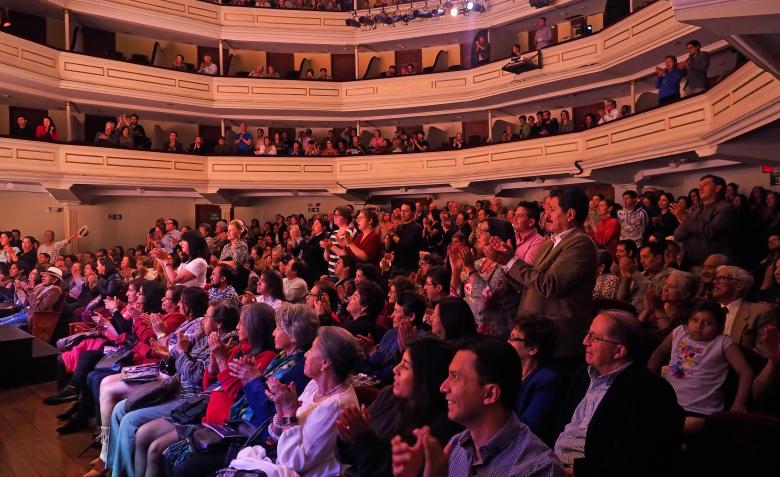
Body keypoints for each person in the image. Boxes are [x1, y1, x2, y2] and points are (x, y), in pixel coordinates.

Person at [391, 337, 566, 477]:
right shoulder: (456, 445)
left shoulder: (538, 468)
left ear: (490, 394)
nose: (443, 387)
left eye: (455, 377)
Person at [554, 311, 684, 476]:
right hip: (556, 462)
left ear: (619, 351)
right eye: (588, 334)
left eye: (594, 338)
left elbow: (634, 460)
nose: (585, 341)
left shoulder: (650, 391)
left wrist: (574, 471)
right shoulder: (582, 375)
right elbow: (558, 426)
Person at [217, 326, 359, 476]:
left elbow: (296, 461)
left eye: (312, 349)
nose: (306, 354)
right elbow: (276, 435)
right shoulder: (313, 385)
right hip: (277, 459)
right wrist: (280, 408)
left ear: (325, 363)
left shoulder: (335, 406)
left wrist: (289, 411)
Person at [485, 188, 597, 362]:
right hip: (535, 335)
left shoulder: (580, 243)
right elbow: (531, 284)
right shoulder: (549, 243)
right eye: (546, 209)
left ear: (571, 214)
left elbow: (550, 285)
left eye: (552, 209)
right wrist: (504, 262)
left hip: (558, 339)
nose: (546, 215)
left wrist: (511, 261)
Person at [338, 338, 460, 477]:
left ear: (425, 376)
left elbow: (390, 472)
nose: (395, 369)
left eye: (406, 366)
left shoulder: (439, 426)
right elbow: (352, 459)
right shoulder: (389, 394)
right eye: (400, 362)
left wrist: (362, 438)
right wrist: (349, 438)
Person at [648, 300, 753, 434]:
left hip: (701, 411)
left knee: (684, 427)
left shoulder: (723, 343)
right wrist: (649, 382)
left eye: (708, 323)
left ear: (720, 328)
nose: (699, 326)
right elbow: (658, 354)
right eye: (695, 320)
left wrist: (739, 403)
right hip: (669, 404)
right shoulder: (679, 333)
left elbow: (746, 372)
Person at [509, 317, 565, 446]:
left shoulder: (548, 380)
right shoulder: (510, 371)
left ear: (533, 349)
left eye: (514, 338)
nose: (508, 342)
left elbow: (529, 426)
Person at [671, 174, 739, 267]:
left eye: (705, 185)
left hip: (712, 265)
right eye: (699, 186)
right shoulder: (694, 209)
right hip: (689, 263)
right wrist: (687, 222)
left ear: (717, 188)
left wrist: (686, 219)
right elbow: (678, 236)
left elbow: (710, 232)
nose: (700, 188)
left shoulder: (726, 208)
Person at [712, 265, 778, 350]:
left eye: (722, 278)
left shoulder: (761, 312)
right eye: (715, 278)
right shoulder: (707, 310)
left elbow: (763, 351)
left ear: (739, 285)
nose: (714, 282)